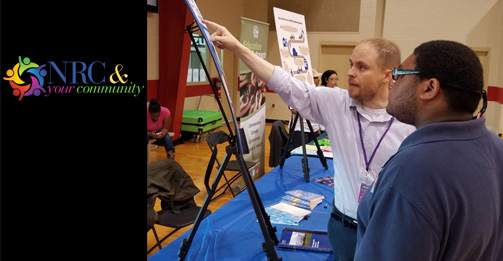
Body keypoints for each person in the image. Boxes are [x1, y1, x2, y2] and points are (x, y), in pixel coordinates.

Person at [203, 20, 416, 260]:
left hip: (384, 231)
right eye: (350, 64)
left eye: (362, 67)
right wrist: (238, 48)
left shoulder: (409, 123)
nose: (350, 73)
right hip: (343, 225)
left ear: (387, 75)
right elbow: (286, 83)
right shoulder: (337, 103)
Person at [356, 40, 503, 260]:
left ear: (429, 88)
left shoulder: (413, 172)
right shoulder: (496, 147)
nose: (392, 82)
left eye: (399, 74)